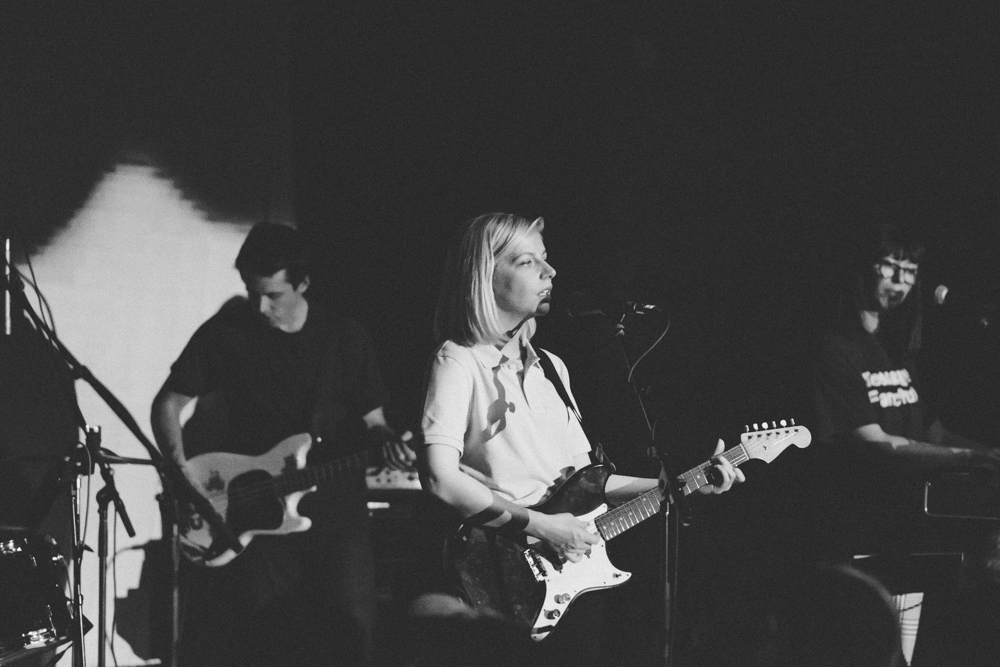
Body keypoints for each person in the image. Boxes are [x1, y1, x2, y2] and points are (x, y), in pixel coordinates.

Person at [416, 212, 743, 666]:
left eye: (546, 260)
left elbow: (589, 482)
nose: (549, 273)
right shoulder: (458, 361)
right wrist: (542, 525)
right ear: (484, 276)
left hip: (568, 572)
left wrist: (685, 486)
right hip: (500, 567)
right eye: (528, 262)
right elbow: (440, 479)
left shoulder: (553, 365)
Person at [151, 222, 413, 667]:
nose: (259, 306)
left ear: (303, 283)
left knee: (352, 632)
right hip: (258, 511)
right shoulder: (226, 332)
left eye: (272, 295)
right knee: (267, 640)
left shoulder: (344, 338)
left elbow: (374, 420)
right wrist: (179, 466)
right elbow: (169, 402)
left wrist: (387, 440)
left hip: (336, 510)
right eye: (251, 292)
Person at [810, 223, 1000, 664]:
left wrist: (987, 453)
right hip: (857, 528)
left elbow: (929, 432)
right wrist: (973, 456)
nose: (900, 282)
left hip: (907, 525)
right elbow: (876, 443)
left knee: (905, 651)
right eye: (891, 267)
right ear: (863, 268)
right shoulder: (834, 345)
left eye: (910, 271)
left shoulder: (896, 348)